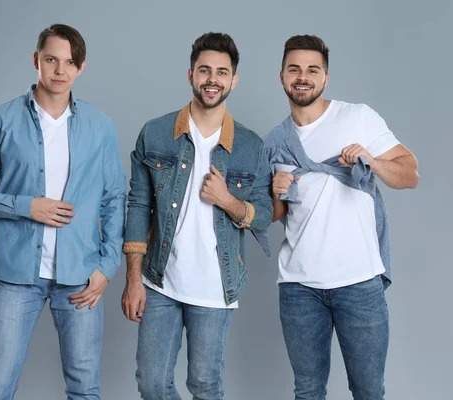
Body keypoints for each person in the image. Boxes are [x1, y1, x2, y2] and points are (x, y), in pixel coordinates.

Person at [0, 24, 126, 399]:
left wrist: (108, 266)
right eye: (51, 59)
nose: (60, 70)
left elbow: (114, 197)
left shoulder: (99, 126)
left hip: (80, 277)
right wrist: (24, 207)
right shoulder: (0, 120)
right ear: (37, 60)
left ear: (81, 68)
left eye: (69, 62)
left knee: (84, 388)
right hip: (16, 275)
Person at [265, 34, 419, 400]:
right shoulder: (275, 141)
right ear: (282, 75)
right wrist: (274, 191)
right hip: (299, 286)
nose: (303, 77)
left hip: (359, 282)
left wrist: (372, 160)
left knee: (368, 391)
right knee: (308, 391)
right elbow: (276, 215)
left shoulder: (358, 117)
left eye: (312, 69)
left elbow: (410, 174)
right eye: (294, 69)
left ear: (325, 77)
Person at [121, 32, 272, 400]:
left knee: (204, 385)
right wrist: (134, 280)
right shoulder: (155, 133)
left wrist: (227, 201)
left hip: (216, 286)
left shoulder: (250, 147)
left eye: (222, 72)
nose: (212, 79)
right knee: (151, 383)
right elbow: (139, 205)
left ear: (233, 80)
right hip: (160, 281)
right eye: (205, 70)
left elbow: (265, 215)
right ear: (190, 74)